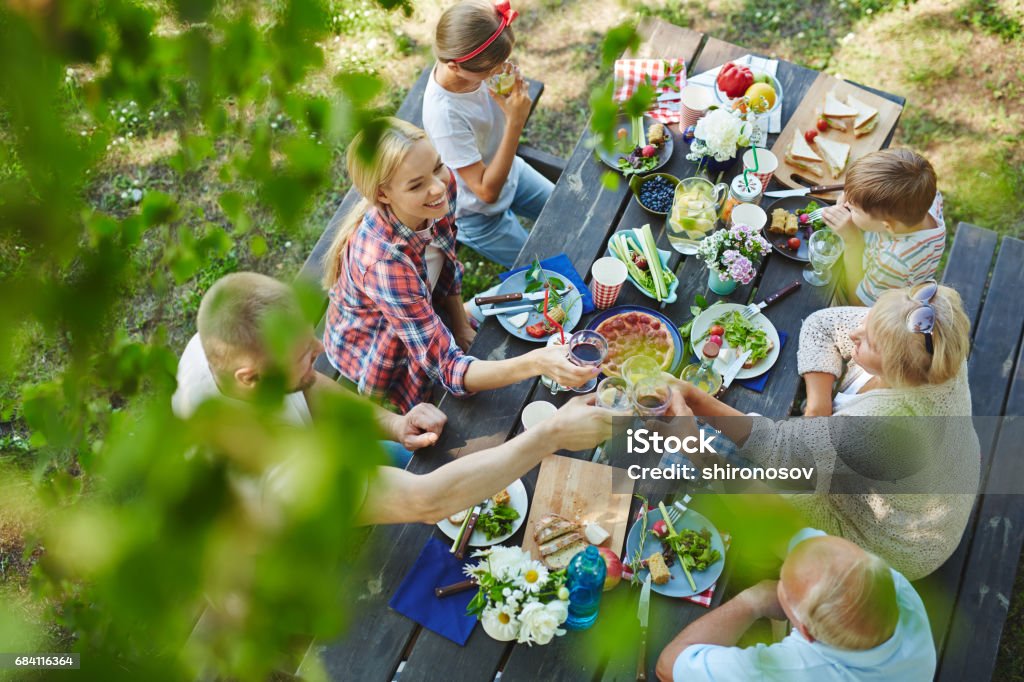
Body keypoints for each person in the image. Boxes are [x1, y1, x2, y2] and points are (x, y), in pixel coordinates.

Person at [173, 272, 614, 526]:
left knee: (451, 454)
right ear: (249, 379)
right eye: (304, 354)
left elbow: (306, 388)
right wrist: (551, 434)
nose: (322, 352)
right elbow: (426, 503)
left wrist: (391, 424)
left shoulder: (214, 350)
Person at [670, 283, 979, 580]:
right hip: (928, 493)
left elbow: (781, 456)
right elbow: (822, 324)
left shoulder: (880, 430)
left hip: (890, 543)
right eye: (868, 319)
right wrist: (818, 410)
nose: (855, 332)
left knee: (746, 485)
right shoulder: (933, 347)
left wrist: (697, 410)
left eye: (869, 342)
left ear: (897, 368)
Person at [322, 118, 593, 414]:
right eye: (416, 184)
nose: (438, 187)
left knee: (534, 295)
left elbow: (448, 267)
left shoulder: (438, 194)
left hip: (423, 310)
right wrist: (538, 362)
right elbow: (448, 369)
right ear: (383, 195)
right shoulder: (384, 265)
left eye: (437, 167)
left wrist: (460, 325)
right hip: (381, 348)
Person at [656, 528, 936, 682]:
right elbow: (791, 534)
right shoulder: (888, 585)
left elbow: (669, 666)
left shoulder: (788, 671)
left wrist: (752, 601)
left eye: (783, 586)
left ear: (805, 631)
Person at [421, 0, 553, 268]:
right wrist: (515, 121)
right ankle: (472, 311)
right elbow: (485, 191)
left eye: (503, 61)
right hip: (477, 213)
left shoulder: (473, 69)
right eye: (491, 67)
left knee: (571, 209)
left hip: (510, 172)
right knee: (543, 269)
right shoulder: (444, 115)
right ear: (455, 66)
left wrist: (507, 98)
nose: (500, 70)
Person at [822, 148, 946, 306]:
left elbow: (859, 305)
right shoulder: (926, 196)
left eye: (854, 210)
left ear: (887, 226)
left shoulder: (894, 260)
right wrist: (856, 196)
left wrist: (853, 241)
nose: (846, 204)